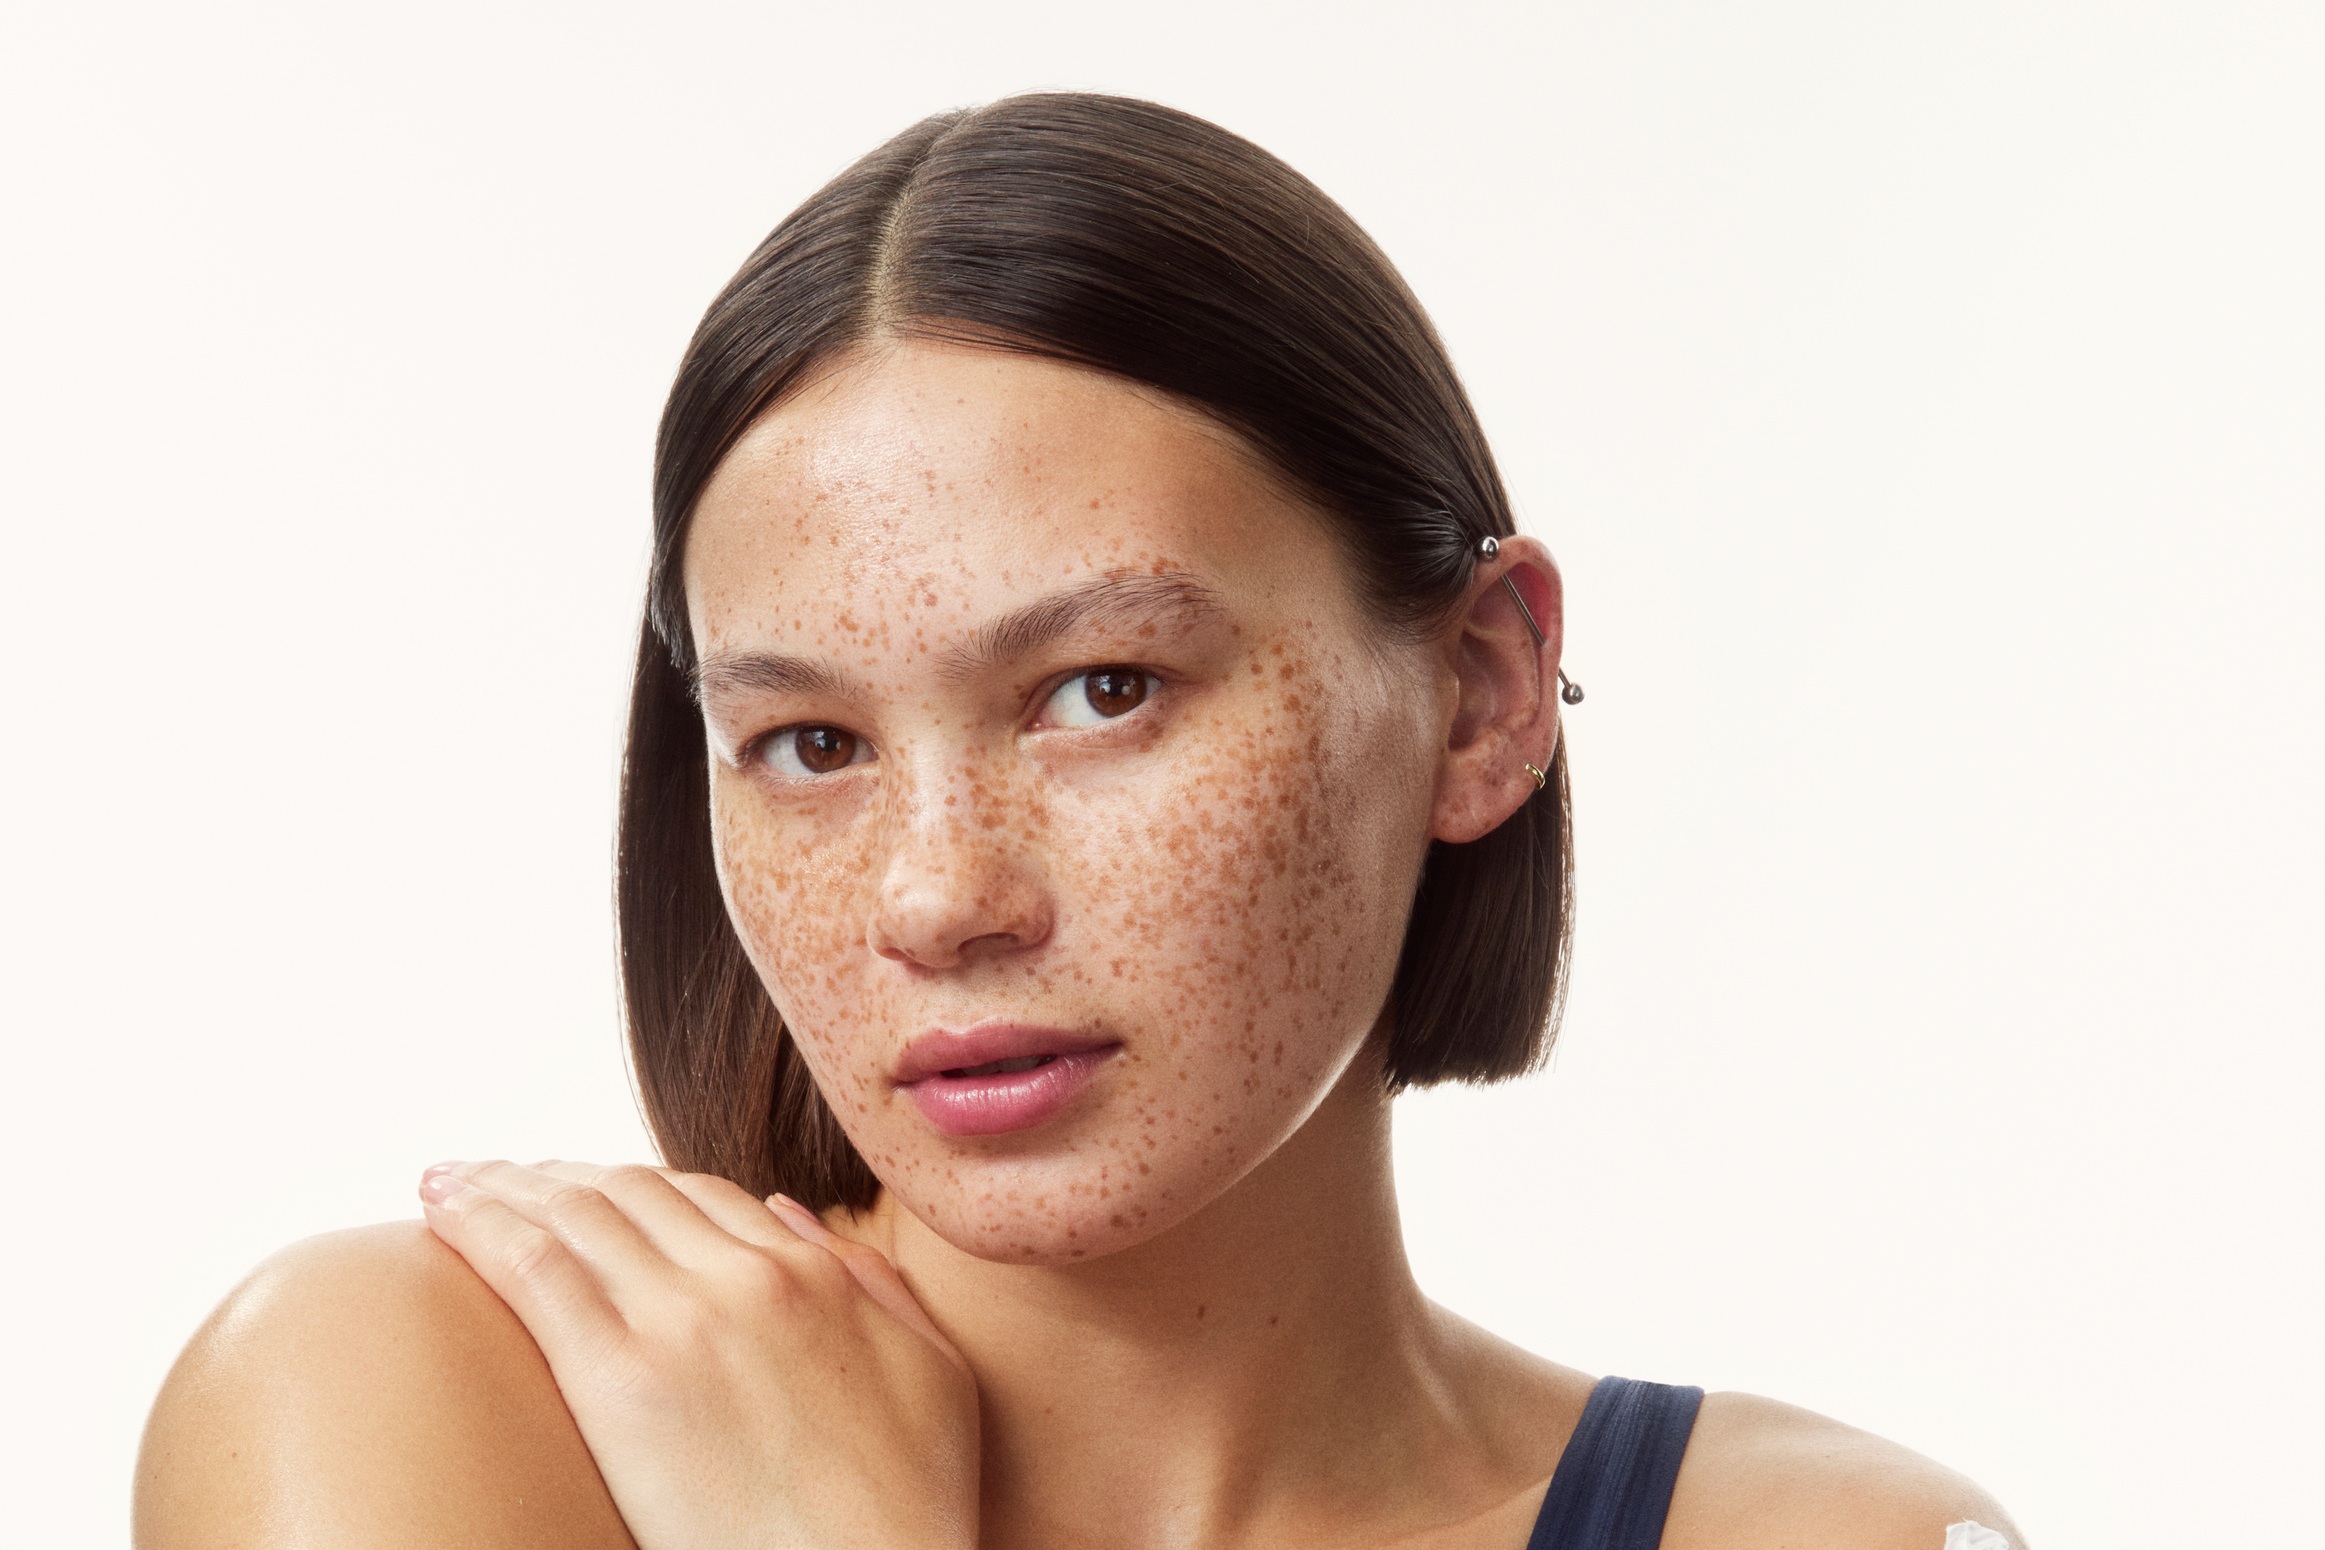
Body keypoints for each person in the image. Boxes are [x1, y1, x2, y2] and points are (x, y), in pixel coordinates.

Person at [134, 93, 2023, 1550]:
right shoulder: (406, 1407)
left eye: (1101, 690)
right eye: (806, 742)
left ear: (1479, 693)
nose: (939, 896)